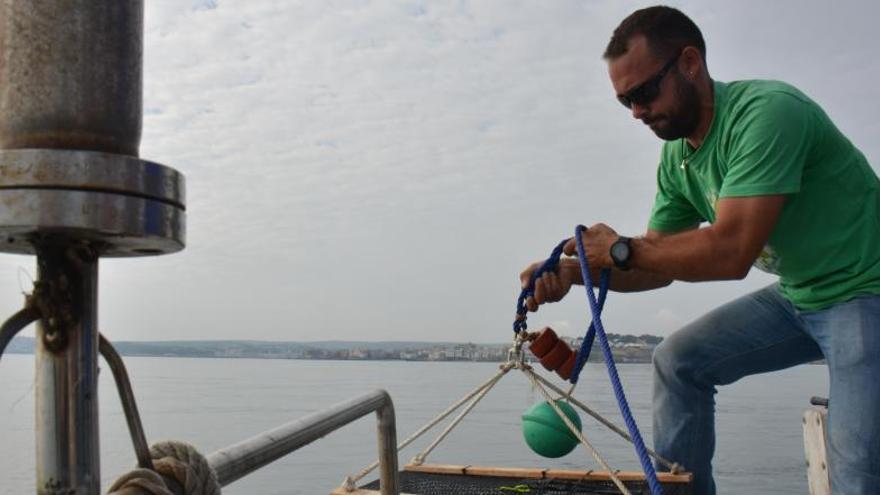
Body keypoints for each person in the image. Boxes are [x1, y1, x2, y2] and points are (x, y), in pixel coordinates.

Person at [519, 6, 880, 495]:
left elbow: (730, 252)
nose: (637, 113)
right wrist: (575, 271)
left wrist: (621, 250)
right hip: (802, 294)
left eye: (644, 93)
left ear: (690, 63)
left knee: (856, 466)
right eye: (624, 102)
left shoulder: (768, 114)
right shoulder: (677, 159)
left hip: (867, 290)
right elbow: (656, 266)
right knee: (676, 361)